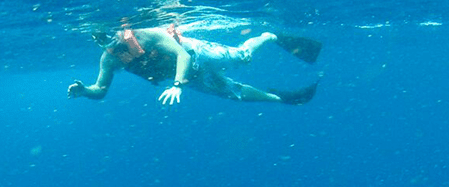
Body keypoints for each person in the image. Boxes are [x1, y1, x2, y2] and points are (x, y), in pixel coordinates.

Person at [68, 25, 320, 105]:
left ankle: (268, 36)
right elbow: (100, 90)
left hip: (196, 55)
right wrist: (84, 91)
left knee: (243, 56)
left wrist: (177, 84)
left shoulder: (148, 35)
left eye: (106, 34)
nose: (106, 41)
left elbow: (183, 56)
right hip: (189, 77)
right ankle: (281, 99)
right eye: (99, 39)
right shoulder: (109, 59)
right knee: (235, 93)